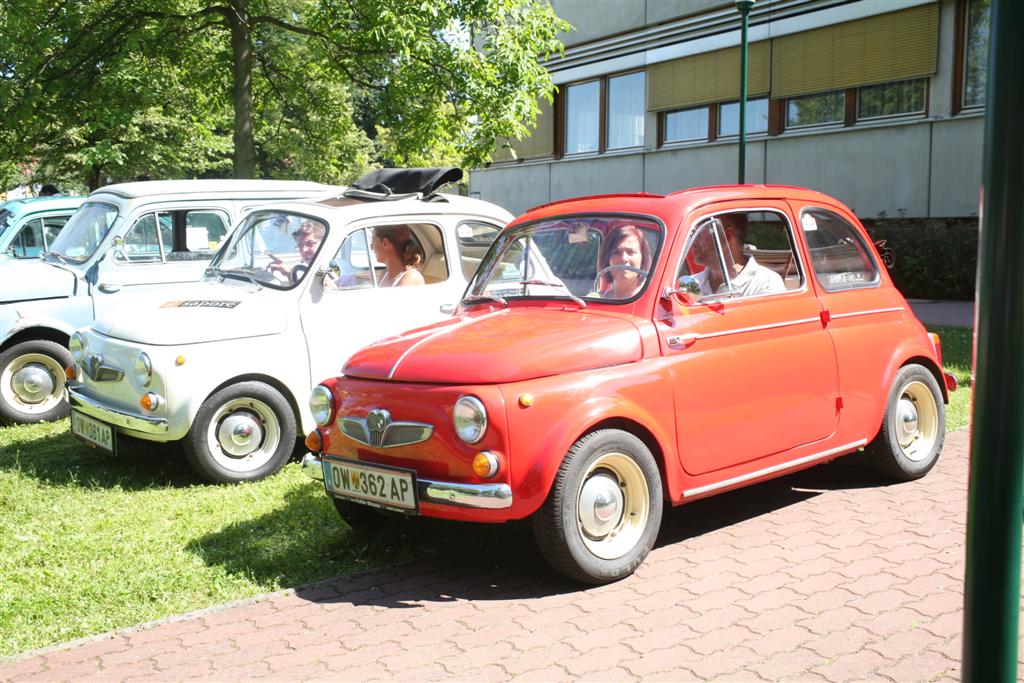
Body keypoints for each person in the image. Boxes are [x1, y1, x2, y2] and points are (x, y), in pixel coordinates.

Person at [690, 213, 785, 297]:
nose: (692, 241)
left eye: (699, 233)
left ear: (727, 236)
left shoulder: (766, 284)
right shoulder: (689, 284)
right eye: (692, 234)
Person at [597, 223, 652, 299]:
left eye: (631, 252)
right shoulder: (597, 300)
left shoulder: (652, 299)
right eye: (616, 252)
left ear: (643, 258)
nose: (624, 259)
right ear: (607, 259)